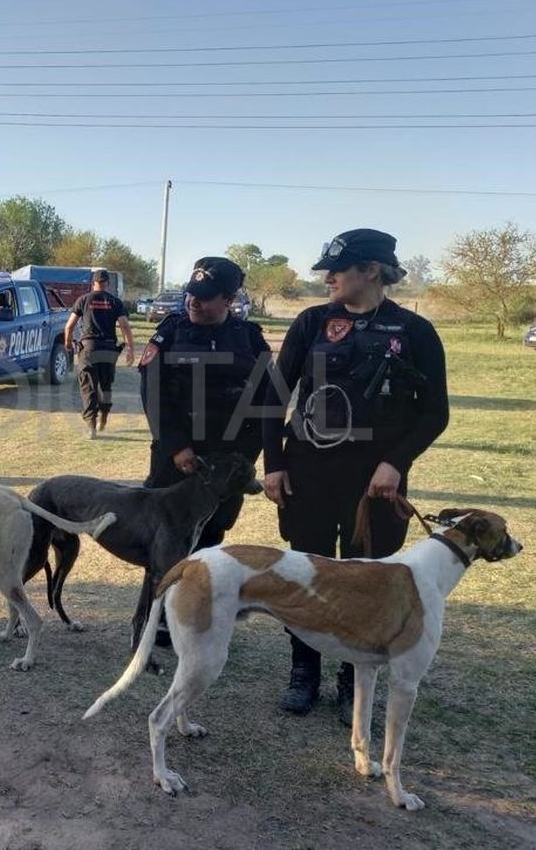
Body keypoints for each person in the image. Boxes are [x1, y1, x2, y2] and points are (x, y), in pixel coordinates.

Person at [263, 228, 449, 723]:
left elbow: (435, 413)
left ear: (370, 271)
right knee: (305, 574)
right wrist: (274, 463)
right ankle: (304, 673)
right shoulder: (311, 323)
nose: (327, 277)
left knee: (368, 581)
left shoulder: (414, 332)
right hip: (309, 471)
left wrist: (396, 463)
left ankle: (353, 682)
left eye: (337, 269)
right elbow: (273, 400)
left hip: (376, 481)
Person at [137, 256, 272, 646]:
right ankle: (154, 617)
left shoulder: (249, 339)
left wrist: (244, 457)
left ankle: (193, 612)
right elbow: (154, 394)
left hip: (228, 460)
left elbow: (266, 399)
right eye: (192, 294)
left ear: (230, 299)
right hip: (174, 458)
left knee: (211, 533)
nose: (194, 302)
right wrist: (177, 446)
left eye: (207, 297)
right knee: (165, 535)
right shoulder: (168, 333)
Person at [63, 269, 135, 439]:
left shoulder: (83, 300)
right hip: (109, 350)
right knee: (106, 385)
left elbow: (69, 326)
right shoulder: (115, 302)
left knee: (88, 387)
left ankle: (91, 427)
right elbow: (125, 326)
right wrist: (130, 348)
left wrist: (68, 344)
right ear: (107, 284)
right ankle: (104, 414)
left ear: (93, 283)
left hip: (89, 349)